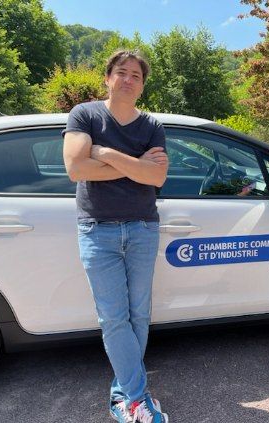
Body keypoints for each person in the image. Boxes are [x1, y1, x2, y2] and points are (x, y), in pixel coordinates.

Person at [63, 50, 169, 422]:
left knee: (139, 315)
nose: (128, 79)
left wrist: (106, 153)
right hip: (98, 229)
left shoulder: (152, 125)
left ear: (142, 85)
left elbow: (157, 177)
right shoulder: (85, 114)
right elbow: (76, 168)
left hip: (142, 227)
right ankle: (138, 399)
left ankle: (122, 395)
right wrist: (137, 166)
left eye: (136, 75)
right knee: (113, 318)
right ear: (108, 78)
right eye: (121, 72)